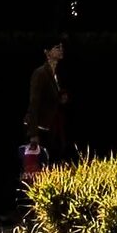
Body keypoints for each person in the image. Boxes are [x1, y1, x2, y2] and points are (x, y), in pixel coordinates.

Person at [24, 39, 71, 167]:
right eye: (57, 47)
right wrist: (33, 134)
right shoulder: (40, 73)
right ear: (47, 52)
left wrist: (61, 98)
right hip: (42, 128)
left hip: (53, 126)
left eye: (61, 47)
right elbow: (34, 103)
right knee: (42, 165)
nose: (61, 49)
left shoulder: (56, 74)